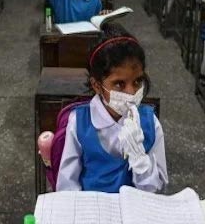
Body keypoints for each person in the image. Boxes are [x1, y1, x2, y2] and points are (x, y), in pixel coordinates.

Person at [56, 24, 168, 193]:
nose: (131, 92)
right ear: (97, 85)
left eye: (137, 81)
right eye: (119, 84)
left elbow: (155, 191)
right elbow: (67, 186)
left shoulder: (150, 124)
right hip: (92, 212)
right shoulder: (79, 123)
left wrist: (139, 158)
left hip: (135, 213)